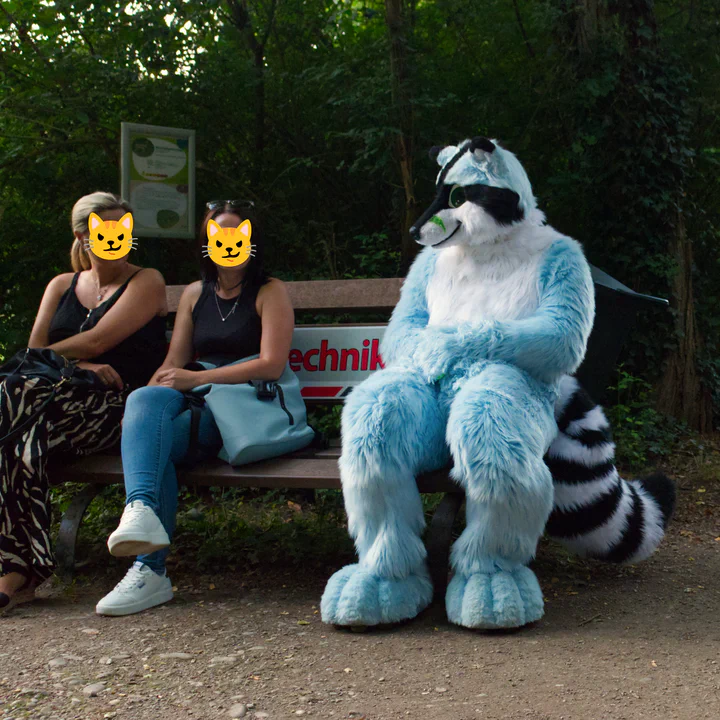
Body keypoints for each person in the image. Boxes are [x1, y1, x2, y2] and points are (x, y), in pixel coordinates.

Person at [96, 200, 294, 617]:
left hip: (240, 410)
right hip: (196, 400)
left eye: (235, 233)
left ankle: (150, 570)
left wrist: (197, 379)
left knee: (159, 440)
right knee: (146, 403)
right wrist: (142, 403)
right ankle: (142, 515)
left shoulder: (270, 292)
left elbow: (271, 364)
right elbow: (172, 364)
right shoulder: (194, 294)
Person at [0, 192, 167, 612]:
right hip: (50, 407)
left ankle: (20, 568)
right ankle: (19, 569)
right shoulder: (61, 285)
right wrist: (84, 365)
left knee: (14, 412)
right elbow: (34, 353)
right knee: (16, 421)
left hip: (119, 409)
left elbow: (97, 339)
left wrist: (81, 362)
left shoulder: (146, 280)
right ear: (82, 235)